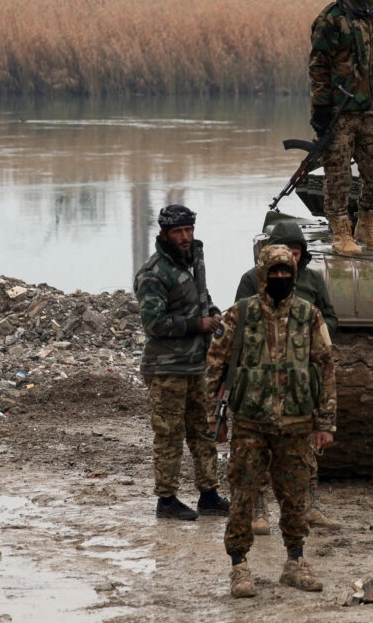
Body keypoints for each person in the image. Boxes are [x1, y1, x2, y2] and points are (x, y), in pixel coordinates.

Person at [207, 245, 337, 598]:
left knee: (294, 497)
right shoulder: (240, 314)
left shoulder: (309, 315)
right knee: (243, 495)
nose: (280, 278)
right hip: (250, 422)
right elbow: (215, 365)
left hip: (296, 423)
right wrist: (214, 419)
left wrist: (325, 422)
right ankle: (239, 566)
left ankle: (295, 562)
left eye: (286, 272)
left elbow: (325, 369)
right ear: (262, 275)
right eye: (274, 272)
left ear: (294, 275)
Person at [233, 219, 340, 535]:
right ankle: (258, 511)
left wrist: (314, 338)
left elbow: (329, 316)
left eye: (296, 252)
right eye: (285, 251)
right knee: (259, 447)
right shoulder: (251, 280)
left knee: (304, 447)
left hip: (300, 375)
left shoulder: (312, 280)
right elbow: (239, 322)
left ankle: (309, 507)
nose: (290, 258)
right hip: (262, 376)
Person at [133, 204, 230, 521]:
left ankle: (209, 495)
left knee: (202, 431)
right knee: (169, 434)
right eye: (178, 232)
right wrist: (198, 324)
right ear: (165, 234)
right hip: (166, 369)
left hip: (196, 365)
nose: (185, 237)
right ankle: (167, 500)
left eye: (189, 230)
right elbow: (153, 323)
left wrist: (213, 313)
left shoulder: (193, 260)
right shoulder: (153, 273)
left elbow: (202, 297)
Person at [309, 0, 373, 256]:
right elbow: (318, 68)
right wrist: (321, 112)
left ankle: (366, 224)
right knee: (338, 175)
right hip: (339, 113)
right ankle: (340, 232)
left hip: (368, 110)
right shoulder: (331, 19)